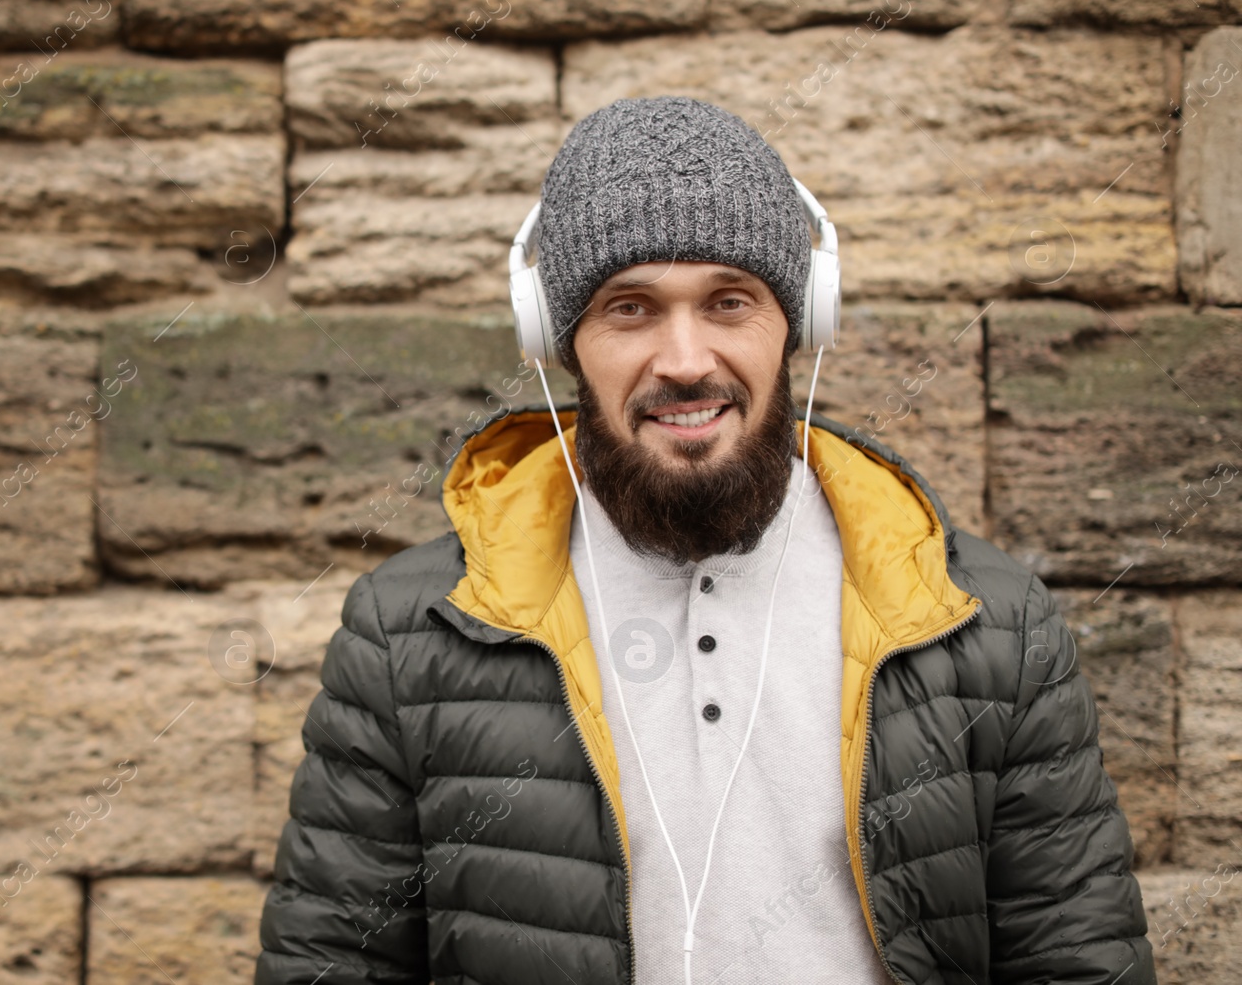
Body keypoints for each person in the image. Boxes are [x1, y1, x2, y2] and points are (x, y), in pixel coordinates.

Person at [254, 96, 1154, 984]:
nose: (685, 359)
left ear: (803, 323)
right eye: (630, 308)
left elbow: (1078, 962)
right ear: (557, 338)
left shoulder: (990, 628)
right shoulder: (405, 638)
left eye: (729, 300)